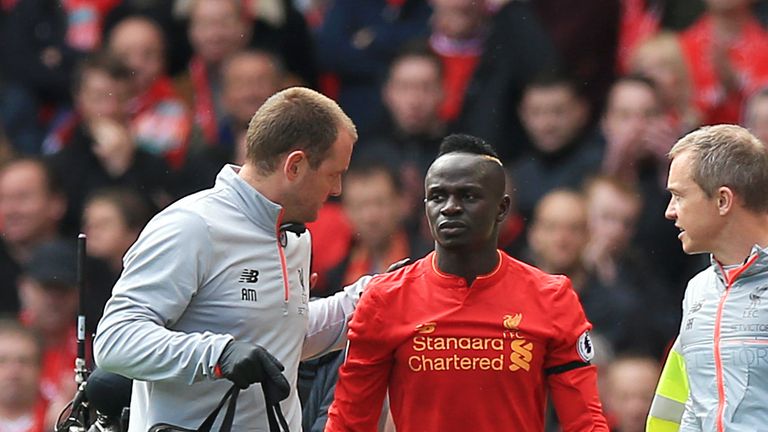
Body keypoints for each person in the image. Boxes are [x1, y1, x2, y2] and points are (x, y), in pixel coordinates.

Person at [93, 87, 369, 431]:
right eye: (333, 173)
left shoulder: (295, 236)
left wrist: (373, 297)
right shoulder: (192, 226)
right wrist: (218, 355)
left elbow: (279, 340)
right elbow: (115, 341)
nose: (338, 190)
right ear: (295, 166)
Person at [325, 134, 608, 431]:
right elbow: (348, 422)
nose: (450, 207)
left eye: (468, 196)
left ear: (502, 208)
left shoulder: (551, 297)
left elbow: (585, 423)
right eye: (438, 196)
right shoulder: (385, 299)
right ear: (425, 206)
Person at [646, 124, 768, 431]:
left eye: (678, 196)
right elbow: (694, 409)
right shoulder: (698, 291)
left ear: (723, 200)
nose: (669, 212)